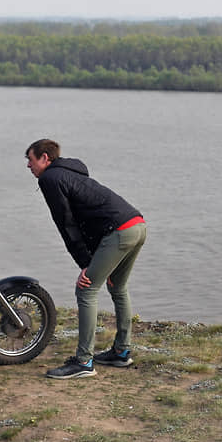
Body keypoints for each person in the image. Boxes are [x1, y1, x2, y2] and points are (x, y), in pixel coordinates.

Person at [26, 139, 146, 379]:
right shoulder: (71, 171)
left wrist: (84, 263)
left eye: (30, 159)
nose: (28, 166)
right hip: (137, 225)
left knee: (86, 290)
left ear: (45, 158)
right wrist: (91, 259)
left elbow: (66, 223)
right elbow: (86, 217)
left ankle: (83, 362)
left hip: (119, 230)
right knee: (118, 287)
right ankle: (121, 353)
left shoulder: (50, 178)